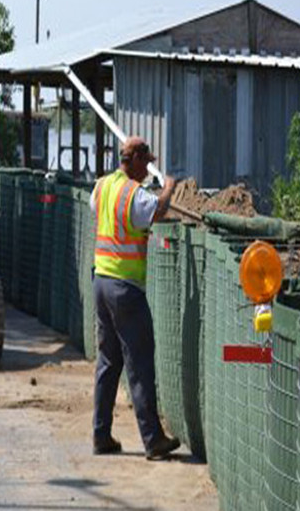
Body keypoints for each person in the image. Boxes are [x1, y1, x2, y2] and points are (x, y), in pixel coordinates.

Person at [90, 135, 180, 460]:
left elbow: (99, 213)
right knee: (139, 363)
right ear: (137, 160)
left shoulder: (101, 186)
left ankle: (101, 435)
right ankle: (153, 439)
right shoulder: (134, 193)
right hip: (125, 288)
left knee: (108, 361)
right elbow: (155, 210)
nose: (149, 169)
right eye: (148, 162)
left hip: (101, 281)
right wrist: (168, 187)